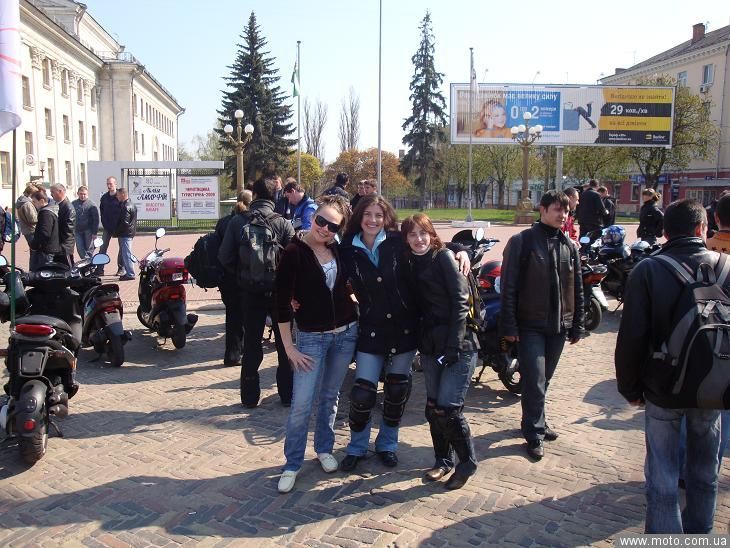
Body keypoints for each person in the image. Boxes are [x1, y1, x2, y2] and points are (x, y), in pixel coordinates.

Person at [615, 199, 725, 534]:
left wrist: (630, 388)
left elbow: (632, 337)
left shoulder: (649, 269)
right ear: (702, 228)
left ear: (665, 231)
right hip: (713, 386)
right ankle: (700, 534)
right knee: (705, 472)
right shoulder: (726, 267)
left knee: (662, 476)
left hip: (663, 387)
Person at [274, 194, 357, 493]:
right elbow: (281, 304)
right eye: (321, 221)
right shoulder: (294, 252)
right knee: (301, 403)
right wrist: (289, 348)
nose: (325, 229)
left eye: (333, 226)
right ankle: (292, 463)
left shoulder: (338, 249)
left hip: (345, 333)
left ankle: (324, 448)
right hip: (312, 337)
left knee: (330, 396)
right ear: (313, 217)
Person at [500, 190, 584, 460]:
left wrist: (577, 323)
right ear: (543, 209)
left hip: (558, 326)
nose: (563, 215)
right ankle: (533, 433)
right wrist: (510, 326)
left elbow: (577, 287)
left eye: (566, 211)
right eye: (558, 209)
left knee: (544, 379)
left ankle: (537, 420)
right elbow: (509, 287)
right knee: (534, 380)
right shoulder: (522, 242)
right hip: (530, 325)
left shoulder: (569, 245)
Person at [337, 195, 417, 472]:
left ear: (386, 218)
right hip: (372, 328)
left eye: (378, 215)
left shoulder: (398, 241)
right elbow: (320, 265)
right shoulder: (347, 247)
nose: (373, 220)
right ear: (359, 217)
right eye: (367, 214)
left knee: (396, 391)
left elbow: (428, 245)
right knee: (362, 393)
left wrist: (460, 251)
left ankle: (387, 445)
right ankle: (357, 447)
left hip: (404, 327)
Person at [400, 213, 478, 489]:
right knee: (433, 408)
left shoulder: (443, 257)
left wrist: (454, 345)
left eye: (423, 233)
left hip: (458, 344)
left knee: (448, 409)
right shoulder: (409, 261)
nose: (418, 239)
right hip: (430, 346)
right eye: (412, 234)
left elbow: (460, 302)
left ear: (431, 234)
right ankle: (443, 460)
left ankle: (467, 464)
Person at [218, 175, 294, 408]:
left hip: (249, 292)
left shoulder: (237, 222)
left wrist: (243, 273)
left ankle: (250, 397)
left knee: (251, 344)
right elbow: (295, 260)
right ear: (275, 197)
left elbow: (224, 256)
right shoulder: (283, 223)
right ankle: (287, 394)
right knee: (284, 344)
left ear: (255, 196)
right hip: (279, 294)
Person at [214, 190, 252, 367]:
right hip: (246, 275)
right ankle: (244, 350)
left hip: (228, 276)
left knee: (233, 316)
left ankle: (233, 353)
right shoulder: (247, 221)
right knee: (247, 315)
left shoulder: (223, 222)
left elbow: (220, 250)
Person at [28, 188, 60, 270]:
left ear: (42, 201)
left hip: (46, 250)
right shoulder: (49, 210)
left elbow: (45, 233)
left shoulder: (46, 213)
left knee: (43, 272)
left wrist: (35, 245)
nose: (33, 204)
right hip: (50, 248)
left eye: (34, 202)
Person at [98, 176, 123, 276]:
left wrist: (121, 224)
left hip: (119, 227)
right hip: (107, 227)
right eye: (107, 184)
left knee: (122, 248)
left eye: (111, 184)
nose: (109, 186)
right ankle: (100, 269)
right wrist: (104, 223)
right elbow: (102, 211)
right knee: (102, 248)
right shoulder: (104, 197)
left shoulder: (120, 196)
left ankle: (121, 268)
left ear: (115, 184)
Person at [50, 183, 76, 267]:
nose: (51, 194)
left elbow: (68, 228)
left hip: (64, 245)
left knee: (68, 269)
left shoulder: (68, 207)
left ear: (60, 192)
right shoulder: (58, 205)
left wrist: (55, 235)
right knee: (57, 268)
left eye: (52, 192)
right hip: (59, 245)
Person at [114, 187, 137, 281]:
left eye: (118, 195)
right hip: (128, 233)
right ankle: (129, 272)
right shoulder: (130, 204)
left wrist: (117, 231)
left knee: (126, 254)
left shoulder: (126, 206)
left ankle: (130, 273)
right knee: (127, 253)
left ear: (123, 194)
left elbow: (125, 222)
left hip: (125, 233)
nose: (117, 196)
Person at [72, 186, 100, 260]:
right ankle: (88, 262)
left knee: (89, 249)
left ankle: (88, 263)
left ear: (87, 194)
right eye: (81, 194)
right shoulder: (73, 204)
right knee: (80, 249)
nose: (83, 196)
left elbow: (96, 220)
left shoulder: (91, 205)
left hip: (88, 230)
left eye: (84, 194)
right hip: (77, 231)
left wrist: (94, 233)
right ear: (78, 194)